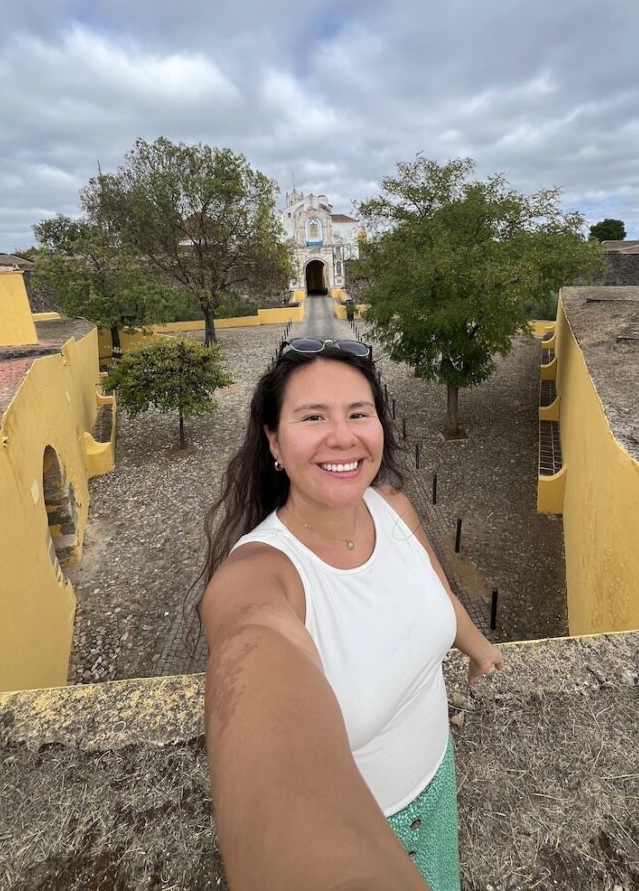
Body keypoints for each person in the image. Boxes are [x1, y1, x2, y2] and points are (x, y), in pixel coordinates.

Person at [196, 338, 503, 891]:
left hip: (438, 789)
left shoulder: (392, 506)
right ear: (273, 440)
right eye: (313, 416)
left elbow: (436, 594)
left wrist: (478, 648)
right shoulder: (258, 575)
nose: (343, 436)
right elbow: (256, 670)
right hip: (373, 824)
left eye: (359, 413)